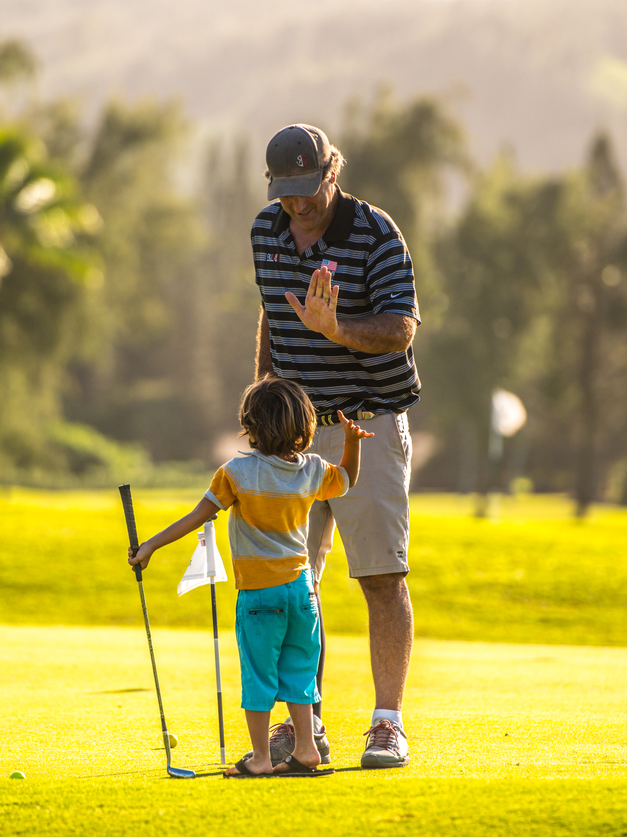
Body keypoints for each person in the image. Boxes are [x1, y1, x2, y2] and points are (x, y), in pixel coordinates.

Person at [252, 123, 419, 769]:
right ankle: (304, 722)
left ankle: (386, 724)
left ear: (333, 171)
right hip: (291, 433)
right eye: (287, 192)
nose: (300, 205)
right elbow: (271, 307)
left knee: (381, 575)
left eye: (310, 187)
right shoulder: (266, 230)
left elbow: (401, 329)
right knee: (296, 581)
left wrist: (338, 329)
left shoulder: (376, 233)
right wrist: (263, 390)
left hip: (365, 425)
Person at [128, 377, 372, 777]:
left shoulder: (236, 473)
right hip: (303, 592)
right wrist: (353, 443)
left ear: (251, 425)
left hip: (261, 596)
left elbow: (197, 518)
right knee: (299, 672)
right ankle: (307, 749)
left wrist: (151, 545)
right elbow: (347, 480)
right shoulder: (312, 470)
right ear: (305, 426)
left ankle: (260, 758)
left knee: (259, 675)